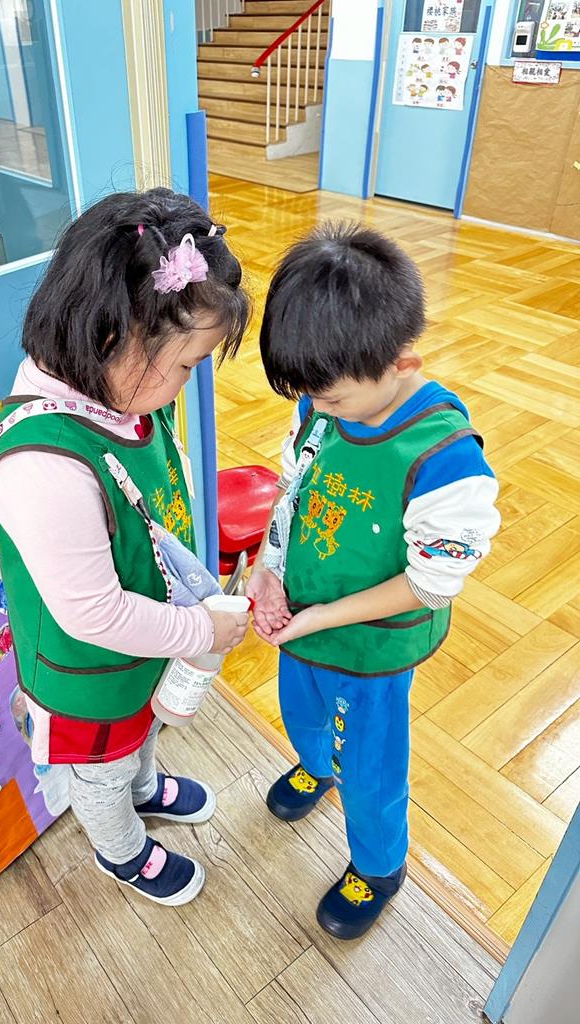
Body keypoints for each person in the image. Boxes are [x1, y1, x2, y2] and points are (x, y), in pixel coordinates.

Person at [0, 189, 249, 907]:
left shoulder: (119, 395)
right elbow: (93, 615)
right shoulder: (43, 466)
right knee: (100, 771)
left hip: (143, 648)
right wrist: (202, 630)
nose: (188, 382)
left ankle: (144, 784)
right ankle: (121, 850)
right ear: (113, 337)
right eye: (187, 364)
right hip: (91, 670)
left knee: (141, 729)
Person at [247, 222, 499, 939]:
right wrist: (267, 569)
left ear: (399, 362)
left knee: (371, 767)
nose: (314, 410)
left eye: (330, 400)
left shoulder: (444, 459)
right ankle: (314, 764)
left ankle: (379, 865)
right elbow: (292, 490)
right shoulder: (322, 398)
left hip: (371, 648)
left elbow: (430, 584)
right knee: (301, 711)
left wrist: (320, 617)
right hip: (304, 617)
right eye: (308, 397)